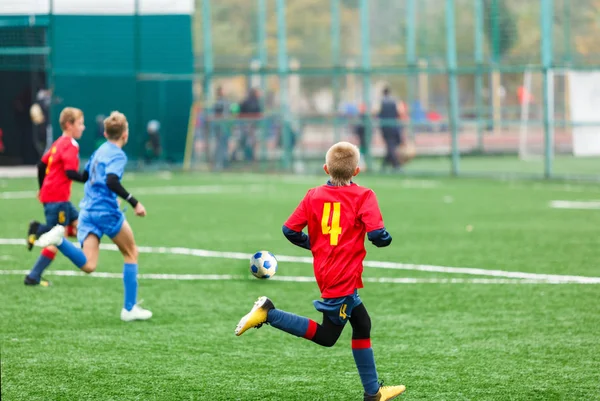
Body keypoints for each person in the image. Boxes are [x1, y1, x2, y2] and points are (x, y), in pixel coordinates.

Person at [235, 142, 406, 401]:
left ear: (326, 168)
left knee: (362, 323)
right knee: (327, 337)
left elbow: (289, 230)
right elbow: (377, 235)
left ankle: (373, 393)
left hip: (327, 271)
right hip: (342, 278)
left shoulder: (313, 195)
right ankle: (269, 313)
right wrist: (384, 238)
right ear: (357, 171)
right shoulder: (364, 195)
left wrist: (313, 243)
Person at [33, 111, 153, 322]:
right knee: (131, 252)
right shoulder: (117, 155)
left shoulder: (99, 151)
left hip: (88, 211)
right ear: (125, 134)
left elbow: (87, 176)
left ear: (106, 133)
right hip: (105, 212)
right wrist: (135, 202)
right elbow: (112, 181)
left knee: (89, 265)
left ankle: (59, 240)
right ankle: (129, 308)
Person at [25, 107, 88, 287]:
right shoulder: (70, 144)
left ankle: (88, 259)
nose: (83, 127)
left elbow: (40, 166)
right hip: (57, 198)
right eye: (80, 123)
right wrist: (89, 178)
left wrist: (42, 188)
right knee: (56, 237)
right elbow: (70, 172)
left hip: (56, 197)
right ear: (69, 125)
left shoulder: (58, 142)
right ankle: (33, 276)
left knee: (79, 224)